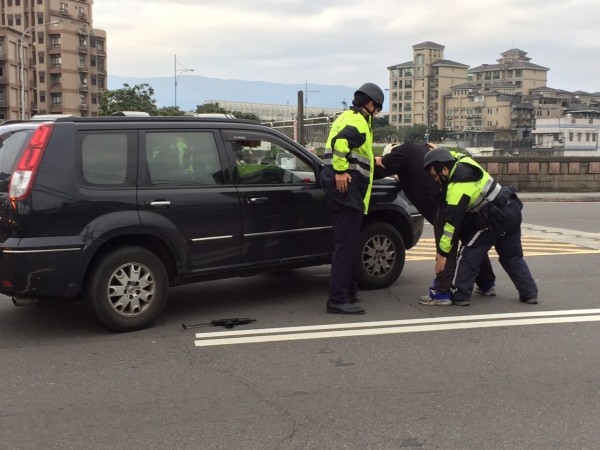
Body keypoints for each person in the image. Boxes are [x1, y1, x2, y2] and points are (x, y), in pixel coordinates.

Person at [374, 141, 496, 306]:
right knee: (470, 242)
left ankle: (441, 292)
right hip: (459, 200)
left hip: (441, 206)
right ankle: (487, 283)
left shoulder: (401, 152)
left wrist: (374, 161)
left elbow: (378, 171)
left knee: (445, 248)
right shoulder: (424, 149)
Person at [423, 147, 538, 306]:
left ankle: (461, 294)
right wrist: (437, 150)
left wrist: (442, 253)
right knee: (512, 256)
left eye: (436, 176)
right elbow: (455, 154)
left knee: (469, 252)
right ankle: (529, 293)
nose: (436, 180)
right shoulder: (464, 161)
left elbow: (451, 226)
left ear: (444, 169)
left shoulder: (458, 186)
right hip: (511, 208)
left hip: (494, 218)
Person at [321, 82, 384, 315]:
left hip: (342, 191)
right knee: (345, 246)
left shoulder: (346, 117)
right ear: (369, 104)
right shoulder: (358, 121)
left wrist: (373, 159)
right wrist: (340, 171)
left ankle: (348, 289)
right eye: (376, 109)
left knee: (344, 242)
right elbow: (341, 143)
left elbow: (353, 150)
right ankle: (337, 298)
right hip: (348, 191)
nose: (376, 113)